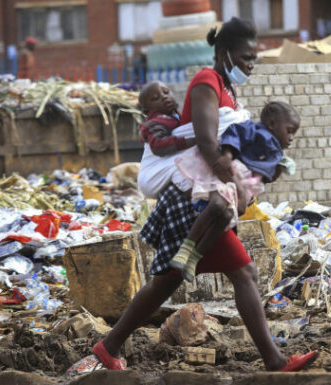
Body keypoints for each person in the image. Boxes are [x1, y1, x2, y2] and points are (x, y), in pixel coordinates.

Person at [93, 17, 317, 372]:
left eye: (254, 58)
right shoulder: (205, 82)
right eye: (245, 57)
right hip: (194, 199)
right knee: (242, 272)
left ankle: (109, 345)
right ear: (224, 53)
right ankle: (274, 360)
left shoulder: (228, 88)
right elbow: (209, 143)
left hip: (202, 200)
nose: (250, 64)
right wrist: (236, 184)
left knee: (167, 281)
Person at [171, 101, 300, 282]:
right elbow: (234, 134)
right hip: (232, 173)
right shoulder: (255, 130)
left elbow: (264, 176)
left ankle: (195, 258)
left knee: (224, 221)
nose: (292, 137)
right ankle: (185, 249)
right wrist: (227, 156)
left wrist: (277, 171)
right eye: (289, 130)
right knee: (216, 205)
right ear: (272, 124)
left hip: (245, 187)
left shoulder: (277, 155)